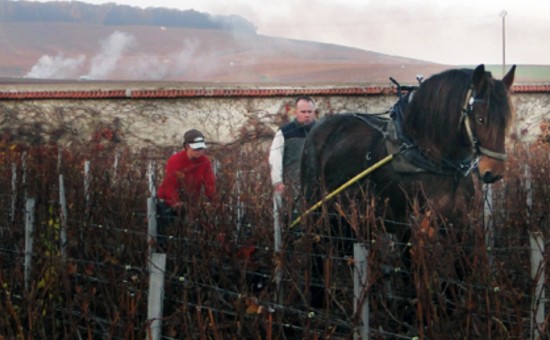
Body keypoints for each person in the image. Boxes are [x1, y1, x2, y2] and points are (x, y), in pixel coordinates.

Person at [156, 129, 217, 245]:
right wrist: (175, 202)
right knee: (166, 235)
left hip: (189, 202)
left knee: (185, 236)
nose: (200, 151)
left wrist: (214, 202)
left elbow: (210, 183)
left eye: (201, 148)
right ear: (187, 146)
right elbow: (170, 184)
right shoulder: (175, 160)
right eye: (196, 148)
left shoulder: (205, 162)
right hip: (167, 203)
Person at [268, 96, 317, 223]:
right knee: (295, 220)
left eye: (310, 112)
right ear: (296, 112)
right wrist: (277, 181)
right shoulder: (285, 132)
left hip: (317, 185)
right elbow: (275, 157)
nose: (307, 115)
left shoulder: (321, 131)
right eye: (303, 112)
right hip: (293, 185)